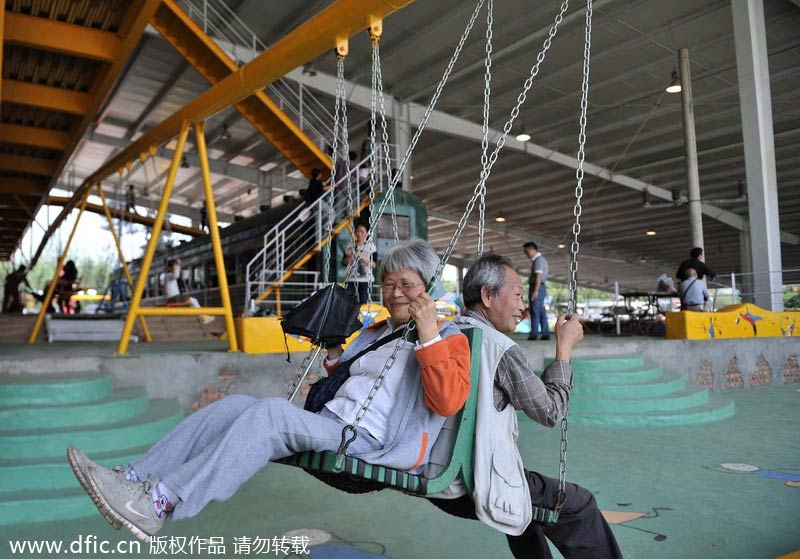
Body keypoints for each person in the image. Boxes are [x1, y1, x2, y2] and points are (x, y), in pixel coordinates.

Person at [67, 240, 470, 542]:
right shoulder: (377, 332)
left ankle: (160, 502)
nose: (395, 293)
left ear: (428, 288)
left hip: (372, 441)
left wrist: (428, 334)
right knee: (236, 405)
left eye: (406, 285)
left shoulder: (448, 338)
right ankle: (135, 478)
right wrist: (333, 350)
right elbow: (351, 380)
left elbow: (447, 401)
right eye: (388, 284)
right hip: (334, 423)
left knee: (272, 414)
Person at [428, 253, 623, 559]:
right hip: (472, 483)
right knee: (580, 506)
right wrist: (564, 349)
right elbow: (551, 411)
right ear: (487, 296)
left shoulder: (446, 333)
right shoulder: (499, 348)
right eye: (518, 295)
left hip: (437, 478)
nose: (523, 306)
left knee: (523, 514)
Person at [165, 258, 213, 324]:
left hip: (174, 298)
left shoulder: (169, 276)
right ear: (169, 268)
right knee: (193, 301)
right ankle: (202, 317)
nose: (175, 268)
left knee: (192, 302)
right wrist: (178, 265)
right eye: (174, 267)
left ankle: (201, 317)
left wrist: (177, 266)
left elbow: (176, 275)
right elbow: (176, 275)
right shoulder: (168, 275)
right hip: (173, 298)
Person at [342, 222, 376, 304]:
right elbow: (343, 263)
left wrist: (360, 255)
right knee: (348, 301)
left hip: (365, 279)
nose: (359, 234)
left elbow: (374, 264)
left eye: (362, 232)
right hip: (351, 278)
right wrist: (350, 256)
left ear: (366, 233)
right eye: (357, 231)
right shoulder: (350, 246)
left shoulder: (371, 246)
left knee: (364, 302)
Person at [523, 242, 550, 340]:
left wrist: (535, 290)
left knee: (535, 310)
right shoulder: (539, 260)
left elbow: (538, 276)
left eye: (527, 251)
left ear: (532, 249)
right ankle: (545, 333)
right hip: (539, 287)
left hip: (537, 286)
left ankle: (534, 333)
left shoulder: (538, 260)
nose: (526, 254)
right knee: (541, 311)